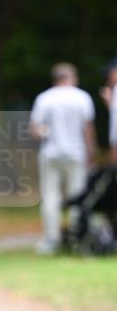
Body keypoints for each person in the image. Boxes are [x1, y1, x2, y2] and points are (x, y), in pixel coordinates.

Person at [29, 63, 96, 253]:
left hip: (51, 153)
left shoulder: (44, 98)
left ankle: (51, 240)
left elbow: (35, 129)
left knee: (50, 196)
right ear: (72, 78)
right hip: (77, 153)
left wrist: (46, 132)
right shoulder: (82, 97)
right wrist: (91, 152)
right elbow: (88, 129)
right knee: (78, 195)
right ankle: (77, 237)